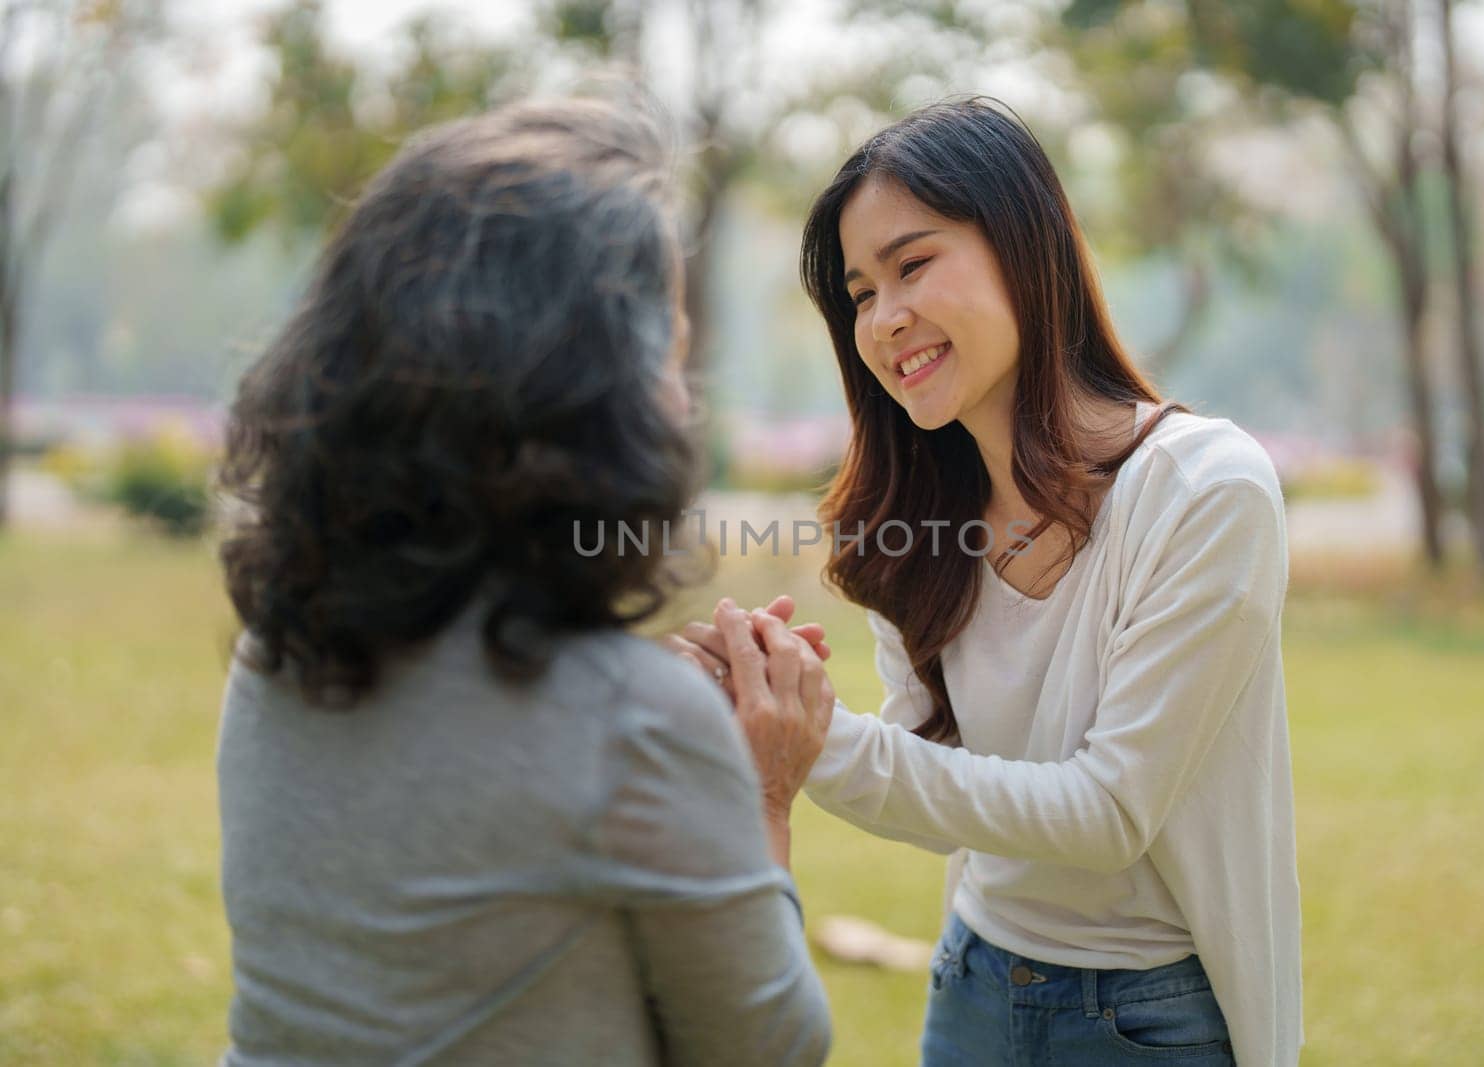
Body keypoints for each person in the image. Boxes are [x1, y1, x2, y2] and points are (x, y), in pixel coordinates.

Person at [671, 98, 1302, 1066]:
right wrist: (775, 699)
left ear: (1022, 245)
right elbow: (945, 775)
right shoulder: (915, 516)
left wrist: (817, 742)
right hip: (971, 979)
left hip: (1146, 1016)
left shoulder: (1205, 489)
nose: (884, 318)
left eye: (912, 264)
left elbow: (1108, 812)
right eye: (859, 293)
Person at [213, 98, 833, 1066]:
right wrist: (760, 786)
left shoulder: (278, 650)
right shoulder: (635, 722)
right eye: (670, 352)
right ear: (588, 393)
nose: (685, 396)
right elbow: (767, 1047)